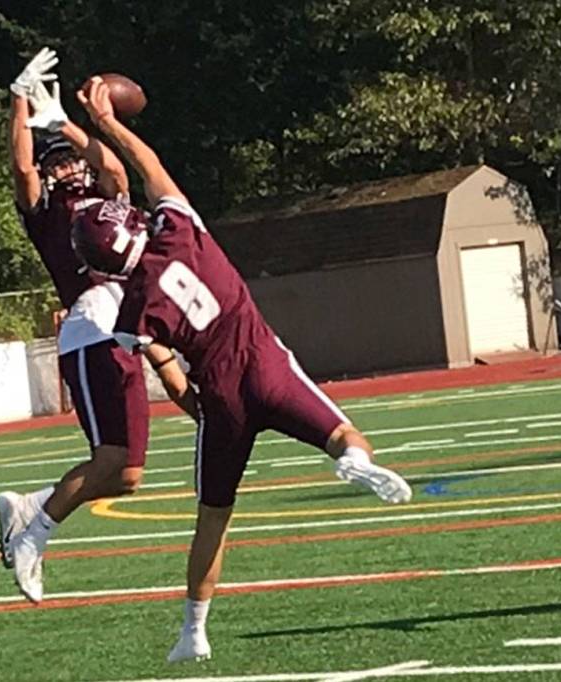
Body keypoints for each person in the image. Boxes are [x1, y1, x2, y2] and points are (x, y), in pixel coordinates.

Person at [73, 77, 413, 663]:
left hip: (221, 398)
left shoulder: (135, 308)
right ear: (130, 222)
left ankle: (193, 631)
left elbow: (168, 372)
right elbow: (148, 164)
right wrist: (107, 125)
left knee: (213, 518)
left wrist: (192, 406)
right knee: (342, 433)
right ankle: (353, 461)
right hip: (266, 362)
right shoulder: (181, 231)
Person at [0, 49, 196, 603]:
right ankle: (33, 533)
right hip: (90, 331)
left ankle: (32, 507)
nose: (67, 167)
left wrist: (66, 125)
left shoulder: (102, 193)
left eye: (69, 159)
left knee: (127, 476)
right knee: (111, 458)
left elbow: (113, 167)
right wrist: (19, 100)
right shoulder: (49, 210)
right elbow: (22, 170)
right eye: (56, 160)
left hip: (127, 324)